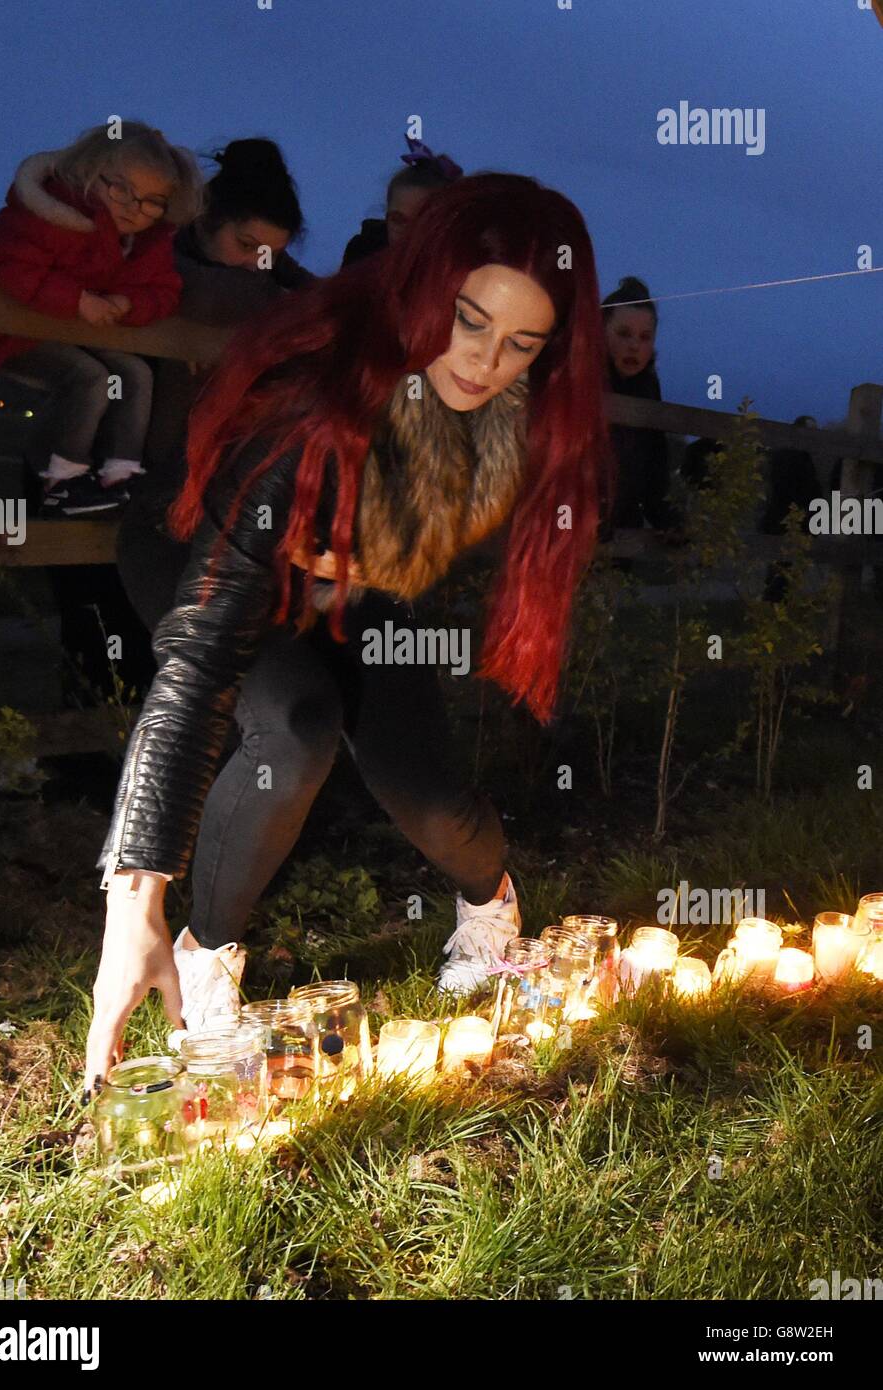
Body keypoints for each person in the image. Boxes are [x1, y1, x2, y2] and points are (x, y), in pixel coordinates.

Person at [82, 172, 608, 1097]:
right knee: (293, 723)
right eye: (469, 320)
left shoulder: (513, 430)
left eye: (521, 343)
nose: (484, 362)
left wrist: (362, 568)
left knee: (427, 788)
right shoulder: (307, 407)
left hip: (355, 581)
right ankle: (202, 956)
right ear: (418, 287)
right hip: (209, 544)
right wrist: (135, 903)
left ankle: (491, 912)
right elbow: (201, 664)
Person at [0, 122, 201, 517]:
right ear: (89, 173)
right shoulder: (48, 214)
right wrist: (76, 301)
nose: (133, 208)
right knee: (91, 377)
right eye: (121, 189)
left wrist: (128, 303)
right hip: (6, 334)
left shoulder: (147, 244)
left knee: (134, 373)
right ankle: (62, 478)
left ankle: (121, 472)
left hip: (69, 335)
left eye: (152, 201)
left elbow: (163, 291)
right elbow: (5, 265)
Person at [119, 138, 315, 632]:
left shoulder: (260, 268)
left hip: (209, 475)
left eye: (270, 255)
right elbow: (209, 294)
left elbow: (311, 295)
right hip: (137, 469)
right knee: (116, 610)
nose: (256, 263)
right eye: (246, 246)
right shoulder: (156, 253)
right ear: (206, 219)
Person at [601, 276, 680, 538]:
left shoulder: (648, 385)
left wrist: (661, 513)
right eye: (624, 334)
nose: (635, 345)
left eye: (645, 337)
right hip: (570, 524)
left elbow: (654, 454)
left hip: (624, 524)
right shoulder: (579, 379)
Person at [341, 136, 462, 266]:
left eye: (422, 221)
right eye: (398, 220)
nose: (407, 232)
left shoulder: (466, 271)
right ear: (387, 217)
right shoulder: (363, 258)